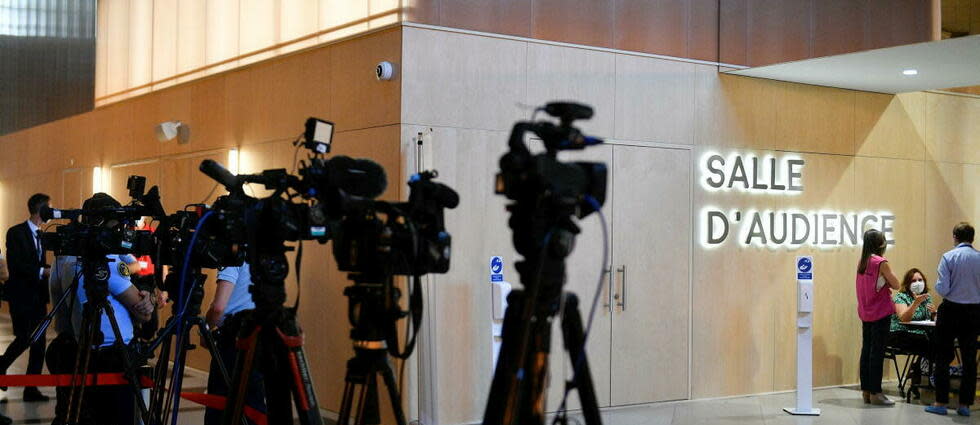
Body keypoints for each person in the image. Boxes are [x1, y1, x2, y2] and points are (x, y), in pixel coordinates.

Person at [74, 193, 155, 424]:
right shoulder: (107, 260)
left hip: (83, 349)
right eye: (117, 223)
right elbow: (145, 313)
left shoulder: (68, 257)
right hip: (114, 354)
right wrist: (145, 301)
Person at [0, 193, 52, 402]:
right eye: (49, 208)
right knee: (24, 338)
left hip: (38, 297)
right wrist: (42, 272)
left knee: (39, 344)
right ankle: (2, 364)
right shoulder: (16, 233)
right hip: (21, 297)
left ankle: (31, 389)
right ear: (41, 210)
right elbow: (17, 264)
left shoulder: (43, 235)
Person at [926, 222, 980, 417]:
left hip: (951, 310)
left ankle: (940, 401)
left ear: (954, 237)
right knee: (969, 359)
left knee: (943, 356)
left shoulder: (948, 257)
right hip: (974, 312)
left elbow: (943, 289)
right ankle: (965, 405)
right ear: (972, 238)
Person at [203, 262, 266, 425]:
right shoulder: (264, 252)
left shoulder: (233, 257)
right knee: (253, 404)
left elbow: (219, 308)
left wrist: (206, 326)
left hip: (233, 340)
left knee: (220, 404)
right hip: (260, 337)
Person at [855, 228, 900, 406]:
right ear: (881, 244)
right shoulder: (881, 262)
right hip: (880, 313)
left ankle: (866, 391)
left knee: (866, 351)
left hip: (866, 313)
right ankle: (876, 392)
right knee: (877, 353)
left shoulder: (862, 261)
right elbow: (896, 284)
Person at [888, 268, 936, 394]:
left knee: (938, 341)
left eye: (920, 280)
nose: (918, 283)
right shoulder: (901, 297)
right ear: (908, 284)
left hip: (920, 334)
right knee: (928, 344)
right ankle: (918, 372)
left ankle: (916, 370)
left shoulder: (927, 297)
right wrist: (915, 303)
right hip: (899, 333)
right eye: (914, 280)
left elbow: (929, 320)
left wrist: (933, 313)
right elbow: (904, 318)